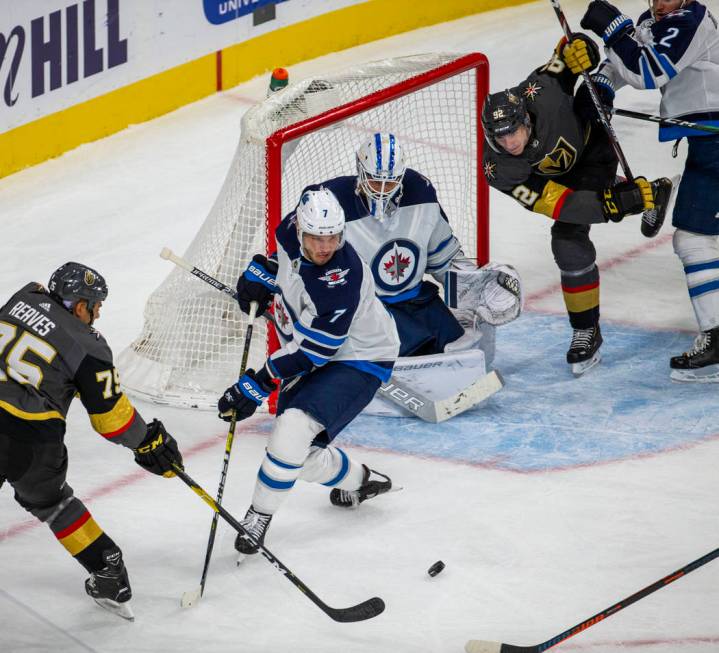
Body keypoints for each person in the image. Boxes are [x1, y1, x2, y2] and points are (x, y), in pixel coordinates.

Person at [219, 188, 400, 555]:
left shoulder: (340, 278)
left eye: (332, 236)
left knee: (291, 431)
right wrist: (267, 273)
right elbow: (282, 260)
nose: (325, 246)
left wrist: (258, 382)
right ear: (300, 228)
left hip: (359, 356)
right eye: (317, 237)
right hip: (308, 348)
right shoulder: (289, 231)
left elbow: (317, 350)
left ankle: (259, 516)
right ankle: (360, 480)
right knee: (297, 455)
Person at [0, 262, 184, 620]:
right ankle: (107, 566)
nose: (97, 314)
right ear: (80, 305)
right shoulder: (90, 347)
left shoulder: (23, 297)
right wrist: (147, 442)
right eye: (95, 305)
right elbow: (111, 421)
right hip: (34, 438)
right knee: (52, 503)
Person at [481, 34, 671, 375]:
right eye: (499, 136)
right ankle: (647, 194)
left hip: (592, 148)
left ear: (525, 119)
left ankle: (587, 328)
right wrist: (609, 207)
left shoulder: (542, 92)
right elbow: (560, 203)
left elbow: (568, 55)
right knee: (574, 229)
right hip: (557, 182)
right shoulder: (500, 170)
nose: (508, 142)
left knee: (568, 239)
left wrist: (581, 46)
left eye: (513, 131)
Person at [580, 0, 719, 382]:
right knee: (697, 236)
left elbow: (650, 68)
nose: (659, 3)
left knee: (695, 238)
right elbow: (623, 63)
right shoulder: (652, 21)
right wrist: (604, 86)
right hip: (707, 146)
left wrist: (615, 29)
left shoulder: (692, 20)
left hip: (716, 143)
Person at [299, 132, 523, 362]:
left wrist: (475, 285)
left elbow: (444, 258)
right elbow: (302, 246)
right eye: (376, 181)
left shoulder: (420, 193)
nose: (382, 190)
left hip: (418, 303)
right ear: (360, 170)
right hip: (368, 313)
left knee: (461, 348)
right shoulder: (331, 201)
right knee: (402, 358)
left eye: (391, 182)